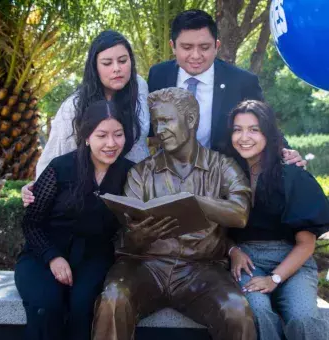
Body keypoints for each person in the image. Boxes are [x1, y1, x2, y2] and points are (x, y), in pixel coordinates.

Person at [92, 88, 257, 340]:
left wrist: (194, 201)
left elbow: (240, 213)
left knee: (236, 310)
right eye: (156, 122)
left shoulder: (223, 166)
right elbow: (128, 231)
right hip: (145, 265)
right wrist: (139, 236)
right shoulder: (141, 172)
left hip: (202, 269)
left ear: (190, 120)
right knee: (114, 299)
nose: (159, 130)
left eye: (166, 120)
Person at [15, 100, 135, 340]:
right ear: (87, 136)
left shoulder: (131, 173)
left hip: (94, 257)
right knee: (46, 306)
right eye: (102, 135)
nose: (111, 144)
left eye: (118, 135)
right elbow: (31, 222)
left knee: (83, 309)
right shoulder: (61, 168)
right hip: (44, 254)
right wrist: (53, 257)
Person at [226, 100, 329, 340]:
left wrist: (274, 279)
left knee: (303, 316)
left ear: (268, 134)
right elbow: (216, 229)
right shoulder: (226, 172)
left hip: (293, 259)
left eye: (254, 129)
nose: (244, 137)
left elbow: (306, 244)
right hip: (247, 260)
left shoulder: (291, 174)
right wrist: (232, 251)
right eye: (237, 129)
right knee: (256, 310)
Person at [147, 9, 305, 166]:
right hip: (171, 174)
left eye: (204, 47)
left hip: (226, 176)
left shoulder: (241, 81)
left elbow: (266, 125)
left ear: (216, 46)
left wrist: (286, 152)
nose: (196, 55)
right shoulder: (159, 75)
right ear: (173, 46)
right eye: (187, 48)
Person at [22, 30, 150, 205]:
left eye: (123, 60)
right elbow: (55, 155)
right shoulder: (74, 107)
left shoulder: (140, 87)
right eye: (107, 63)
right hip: (95, 198)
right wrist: (38, 187)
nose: (117, 68)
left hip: (139, 191)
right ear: (94, 67)